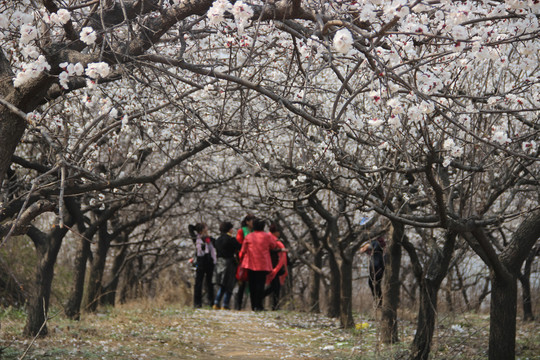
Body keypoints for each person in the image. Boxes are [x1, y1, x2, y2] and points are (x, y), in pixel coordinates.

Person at [238, 218, 283, 311]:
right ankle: (259, 305)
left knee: (252, 285)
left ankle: (253, 305)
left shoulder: (249, 236)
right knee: (260, 285)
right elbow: (273, 246)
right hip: (263, 264)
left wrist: (241, 259)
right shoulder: (267, 237)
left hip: (250, 263)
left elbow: (242, 251)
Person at [213, 221, 241, 310]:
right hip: (229, 263)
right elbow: (239, 247)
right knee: (229, 284)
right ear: (229, 229)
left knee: (222, 284)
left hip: (219, 263)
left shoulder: (217, 240)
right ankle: (225, 304)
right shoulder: (231, 239)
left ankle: (216, 302)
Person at [188, 223, 216, 308]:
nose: (207, 229)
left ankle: (211, 302)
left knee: (210, 283)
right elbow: (190, 227)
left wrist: (206, 236)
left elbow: (214, 245)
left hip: (209, 261)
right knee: (198, 283)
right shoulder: (196, 238)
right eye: (205, 228)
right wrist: (198, 228)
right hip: (200, 261)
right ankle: (197, 303)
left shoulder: (209, 238)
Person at [264, 223, 288, 310]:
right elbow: (270, 251)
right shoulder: (271, 240)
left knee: (276, 286)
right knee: (275, 287)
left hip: (272, 266)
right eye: (278, 231)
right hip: (272, 266)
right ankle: (273, 304)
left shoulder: (271, 239)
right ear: (275, 232)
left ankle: (275, 305)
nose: (279, 233)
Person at [234, 213, 255, 310]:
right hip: (244, 259)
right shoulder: (241, 231)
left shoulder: (255, 231)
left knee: (252, 283)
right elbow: (239, 244)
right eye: (252, 221)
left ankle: (253, 305)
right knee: (241, 282)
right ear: (247, 222)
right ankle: (238, 305)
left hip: (254, 259)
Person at [360, 236, 386, 307]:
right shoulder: (374, 244)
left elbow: (369, 248)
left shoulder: (375, 243)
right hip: (374, 266)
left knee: (376, 283)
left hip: (377, 266)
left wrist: (367, 247)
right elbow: (363, 250)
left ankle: (379, 300)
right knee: (372, 283)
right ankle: (377, 299)